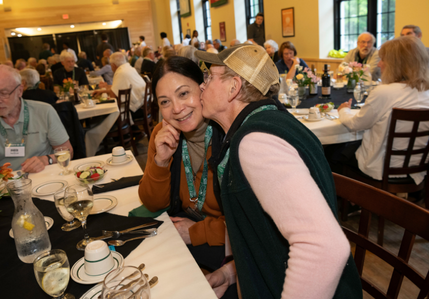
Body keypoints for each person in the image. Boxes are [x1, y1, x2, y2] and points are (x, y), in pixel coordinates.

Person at [195, 44, 362, 298]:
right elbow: (267, 233)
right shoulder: (271, 121)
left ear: (234, 87)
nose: (201, 86)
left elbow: (324, 247)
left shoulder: (255, 143)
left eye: (209, 77)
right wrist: (233, 272)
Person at [138, 56, 227, 273]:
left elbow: (250, 223)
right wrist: (161, 161)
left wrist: (197, 232)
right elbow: (153, 204)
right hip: (183, 235)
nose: (177, 109)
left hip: (226, 245)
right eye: (165, 101)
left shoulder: (228, 135)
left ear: (202, 89)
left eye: (184, 93)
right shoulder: (163, 135)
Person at [332, 36, 429, 185]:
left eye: (383, 60)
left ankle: (353, 198)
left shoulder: (384, 92)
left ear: (396, 64)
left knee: (333, 151)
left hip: (381, 167)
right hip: (418, 167)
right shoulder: (426, 92)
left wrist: (343, 110)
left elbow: (355, 124)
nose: (379, 65)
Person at [0, 65, 73, 172]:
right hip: (5, 183)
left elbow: (68, 152)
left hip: (43, 176)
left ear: (19, 91)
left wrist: (46, 159)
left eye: (4, 93)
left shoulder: (44, 111)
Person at [93, 52, 145, 118]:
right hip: (143, 105)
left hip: (136, 110)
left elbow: (113, 96)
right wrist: (101, 91)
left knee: (104, 111)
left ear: (114, 65)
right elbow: (118, 89)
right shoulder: (128, 68)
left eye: (111, 65)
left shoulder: (120, 72)